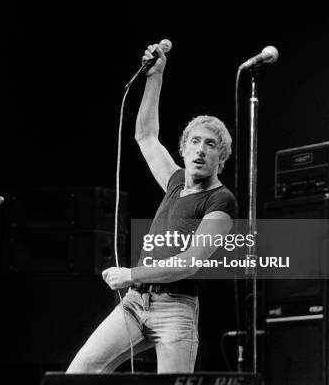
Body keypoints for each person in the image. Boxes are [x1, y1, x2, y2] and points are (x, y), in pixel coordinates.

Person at [67, 43, 237, 373]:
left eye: (210, 144)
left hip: (177, 310)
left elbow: (191, 262)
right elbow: (145, 135)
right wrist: (155, 76)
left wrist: (131, 274)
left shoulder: (221, 200)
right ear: (184, 149)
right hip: (135, 303)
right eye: (195, 142)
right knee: (78, 374)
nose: (201, 150)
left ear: (221, 157)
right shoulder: (175, 182)